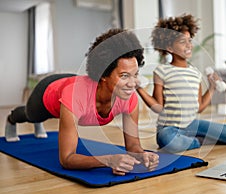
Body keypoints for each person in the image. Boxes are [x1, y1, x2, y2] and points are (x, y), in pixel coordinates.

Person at [5, 28, 159, 175]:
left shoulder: (129, 96)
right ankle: (12, 118)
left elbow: (133, 146)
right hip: (48, 90)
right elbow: (66, 159)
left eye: (135, 74)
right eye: (124, 76)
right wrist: (108, 160)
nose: (133, 83)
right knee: (31, 115)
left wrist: (143, 155)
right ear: (103, 74)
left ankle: (37, 123)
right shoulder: (74, 95)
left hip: (75, 82)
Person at [136, 14, 226, 153]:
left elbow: (199, 107)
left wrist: (212, 88)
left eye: (190, 40)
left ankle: (192, 139)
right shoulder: (162, 71)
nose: (189, 45)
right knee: (168, 142)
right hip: (169, 129)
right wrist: (139, 88)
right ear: (170, 47)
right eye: (183, 42)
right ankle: (197, 142)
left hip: (193, 124)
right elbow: (158, 107)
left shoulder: (195, 73)